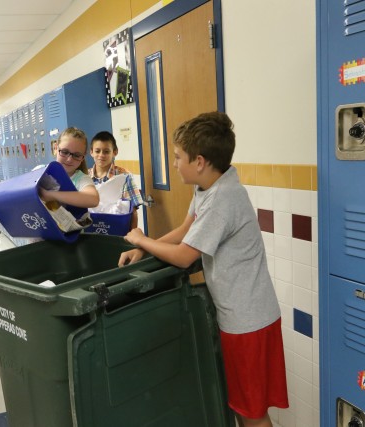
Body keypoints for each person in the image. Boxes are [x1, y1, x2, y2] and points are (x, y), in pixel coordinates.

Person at [118, 112, 288, 427]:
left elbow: (184, 256)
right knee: (242, 406)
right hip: (242, 316)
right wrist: (143, 248)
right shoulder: (210, 187)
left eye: (177, 157)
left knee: (251, 414)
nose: (173, 163)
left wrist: (142, 237)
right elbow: (187, 228)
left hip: (248, 322)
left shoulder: (224, 199)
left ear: (199, 161)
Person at [0, 127, 99, 215]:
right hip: (38, 240)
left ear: (83, 157)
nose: (69, 159)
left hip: (69, 243)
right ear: (56, 148)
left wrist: (50, 195)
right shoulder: (39, 171)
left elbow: (93, 199)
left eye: (76, 155)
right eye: (64, 152)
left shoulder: (81, 179)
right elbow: (16, 196)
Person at [88, 130, 144, 229]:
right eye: (97, 151)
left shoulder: (125, 176)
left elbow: (133, 211)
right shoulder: (85, 176)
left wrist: (133, 238)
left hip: (117, 232)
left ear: (115, 152)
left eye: (106, 151)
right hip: (90, 231)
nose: (101, 155)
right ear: (91, 152)